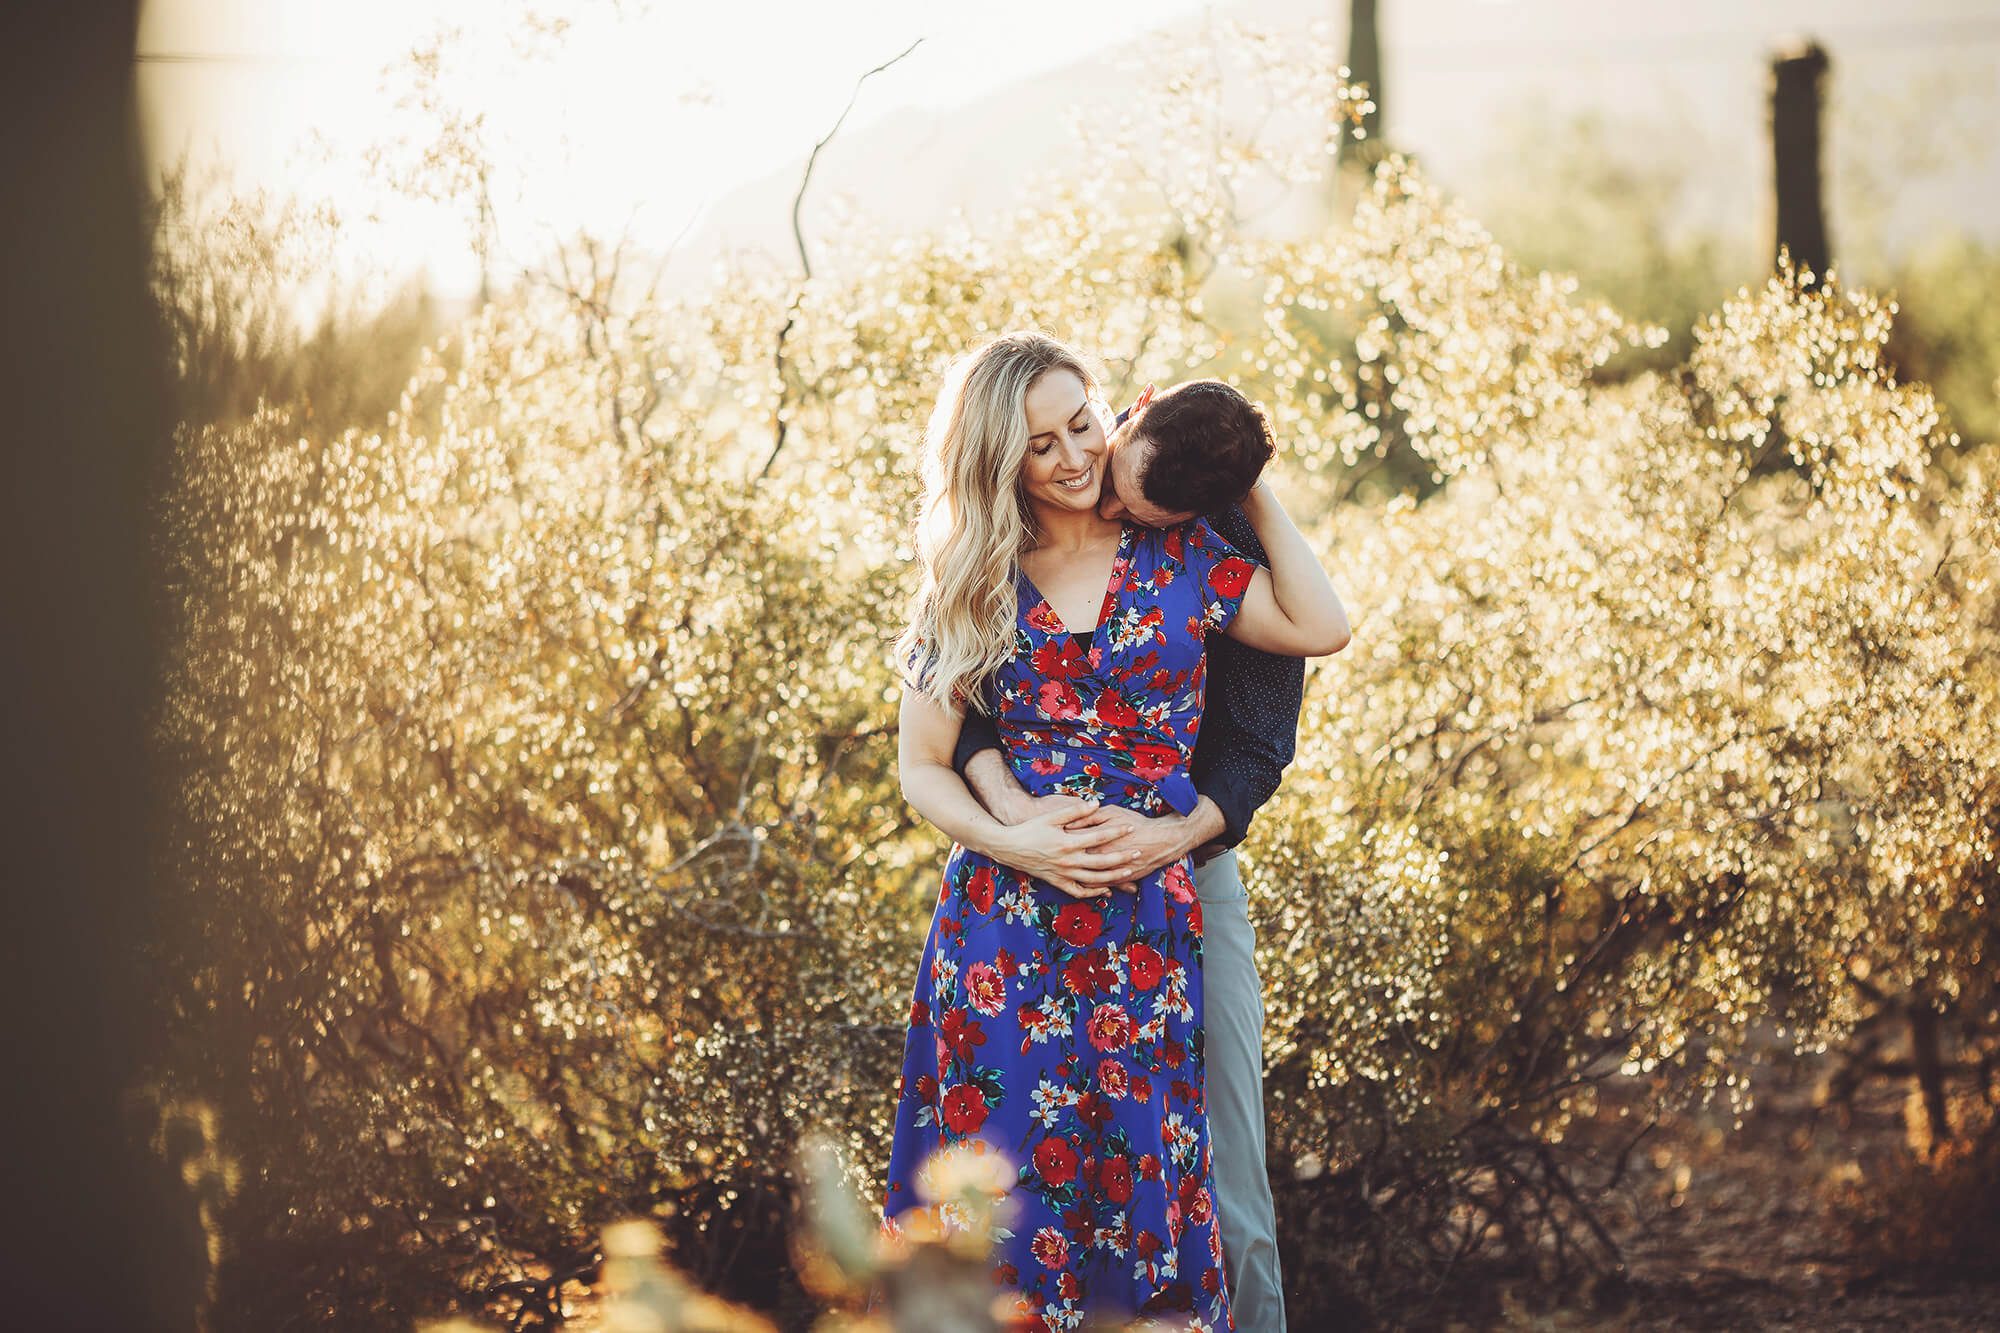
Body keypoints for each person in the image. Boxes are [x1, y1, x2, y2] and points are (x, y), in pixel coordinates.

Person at [882, 331, 1348, 1331]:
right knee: (1001, 1212)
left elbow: (1319, 625)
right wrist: (1015, 836)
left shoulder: (1184, 550)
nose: (1069, 455)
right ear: (993, 460)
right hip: (1005, 929)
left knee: (1162, 1207)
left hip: (1149, 924)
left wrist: (1247, 483)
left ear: (1115, 410)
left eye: (1080, 423)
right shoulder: (970, 578)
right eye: (1035, 442)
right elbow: (922, 761)